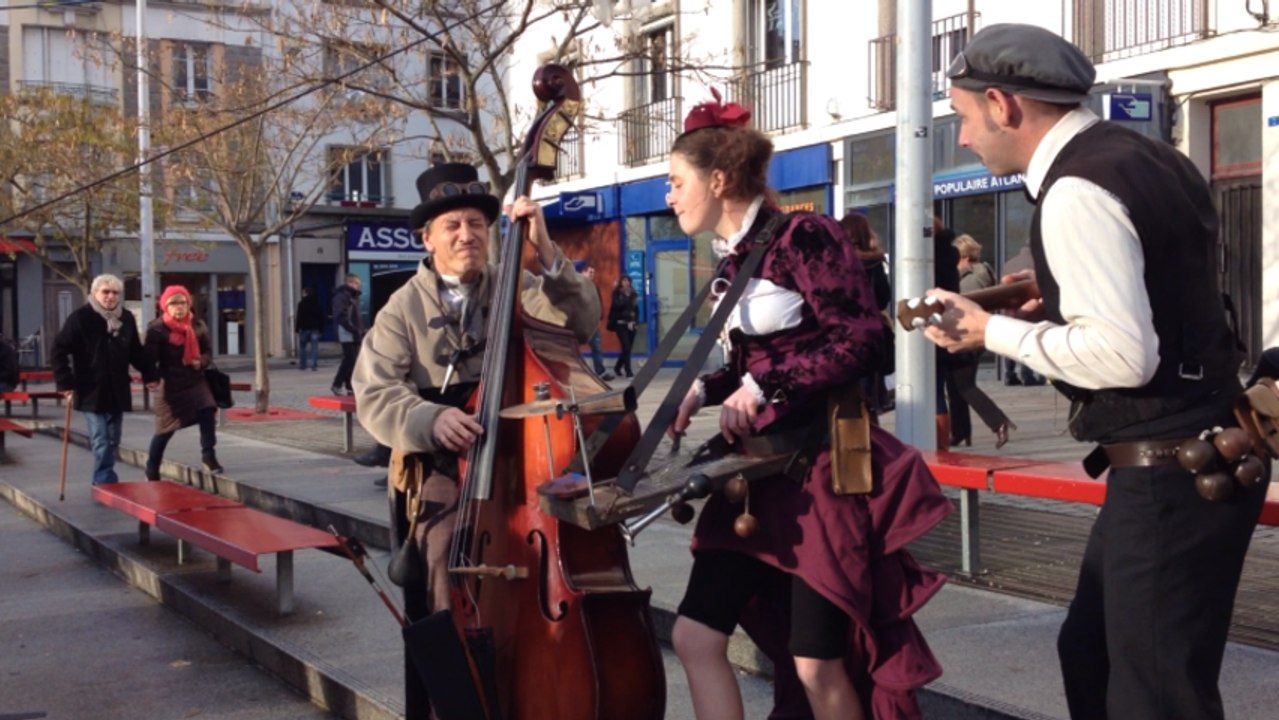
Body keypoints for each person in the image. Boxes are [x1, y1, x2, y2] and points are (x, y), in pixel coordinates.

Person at [926, 24, 1264, 719]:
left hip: (1169, 470)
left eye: (962, 117)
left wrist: (990, 329)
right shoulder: (1147, 156)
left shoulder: (1076, 189)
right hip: (1194, 457)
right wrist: (1052, 300)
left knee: (1153, 696)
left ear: (1002, 103)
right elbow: (1164, 297)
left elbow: (1123, 355)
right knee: (1093, 652)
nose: (962, 138)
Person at [664, 92, 951, 719]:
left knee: (817, 662)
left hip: (815, 472)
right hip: (751, 477)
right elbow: (750, 362)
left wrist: (767, 388)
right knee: (694, 636)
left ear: (717, 180)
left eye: (676, 181)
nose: (670, 195)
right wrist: (703, 389)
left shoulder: (804, 235)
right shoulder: (733, 257)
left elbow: (862, 338)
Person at [351, 162, 600, 718]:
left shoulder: (520, 286)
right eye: (452, 226)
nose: (467, 235)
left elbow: (580, 323)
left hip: (521, 457)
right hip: (444, 464)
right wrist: (428, 420)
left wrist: (547, 252)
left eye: (477, 224)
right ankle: (459, 703)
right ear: (428, 237)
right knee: (445, 565)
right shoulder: (402, 308)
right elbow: (374, 392)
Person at [52, 274, 159, 485]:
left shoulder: (126, 318)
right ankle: (104, 478)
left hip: (117, 387)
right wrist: (65, 382)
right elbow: (58, 350)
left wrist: (150, 374)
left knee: (113, 437)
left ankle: (104, 473)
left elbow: (135, 352)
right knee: (100, 437)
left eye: (115, 293)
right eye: (105, 292)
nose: (110, 297)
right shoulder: (80, 318)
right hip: (90, 388)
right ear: (94, 293)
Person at [143, 285, 221, 479]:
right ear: (165, 306)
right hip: (170, 385)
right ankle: (152, 469)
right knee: (165, 429)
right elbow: (148, 360)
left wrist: (200, 361)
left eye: (183, 302)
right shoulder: (156, 329)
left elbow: (208, 352)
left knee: (208, 411)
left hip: (195, 380)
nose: (179, 307)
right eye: (174, 303)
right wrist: (151, 378)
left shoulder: (198, 325)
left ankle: (208, 456)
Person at [945, 234, 1015, 448]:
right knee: (956, 385)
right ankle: (961, 432)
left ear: (964, 257)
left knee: (964, 385)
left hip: (969, 336)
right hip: (974, 335)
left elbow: (965, 308)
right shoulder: (980, 272)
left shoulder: (971, 278)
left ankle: (998, 422)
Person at [839, 211, 893, 413]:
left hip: (842, 334)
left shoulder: (836, 263)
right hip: (870, 333)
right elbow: (883, 298)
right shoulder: (874, 262)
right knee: (869, 396)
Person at [330, 274, 364, 396]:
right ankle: (337, 384)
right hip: (346, 332)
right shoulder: (342, 296)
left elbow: (355, 316)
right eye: (356, 283)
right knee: (349, 359)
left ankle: (350, 386)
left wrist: (359, 330)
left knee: (353, 360)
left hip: (353, 332)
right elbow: (341, 316)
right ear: (350, 283)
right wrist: (353, 329)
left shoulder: (352, 297)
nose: (358, 286)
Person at [581, 263, 615, 381]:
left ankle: (600, 371)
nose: (592, 275)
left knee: (597, 347)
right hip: (580, 323)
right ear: (583, 273)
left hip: (593, 323)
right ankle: (578, 373)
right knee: (574, 348)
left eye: (593, 273)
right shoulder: (577, 286)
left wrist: (600, 317)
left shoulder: (594, 286)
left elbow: (598, 302)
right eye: (590, 272)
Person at [608, 274, 639, 378]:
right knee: (626, 346)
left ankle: (617, 367)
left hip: (631, 324)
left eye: (628, 281)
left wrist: (636, 322)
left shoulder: (633, 293)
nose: (626, 283)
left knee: (628, 348)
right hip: (620, 324)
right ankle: (628, 371)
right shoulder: (617, 293)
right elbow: (617, 306)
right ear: (621, 282)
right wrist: (627, 296)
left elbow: (635, 309)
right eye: (624, 281)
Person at [294, 287, 323, 371]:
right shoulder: (316, 303)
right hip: (314, 328)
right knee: (314, 347)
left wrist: (297, 328)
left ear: (305, 293)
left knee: (302, 347)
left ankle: (302, 365)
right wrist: (321, 329)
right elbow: (320, 317)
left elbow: (299, 317)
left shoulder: (301, 304)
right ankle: (313, 365)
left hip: (304, 328)